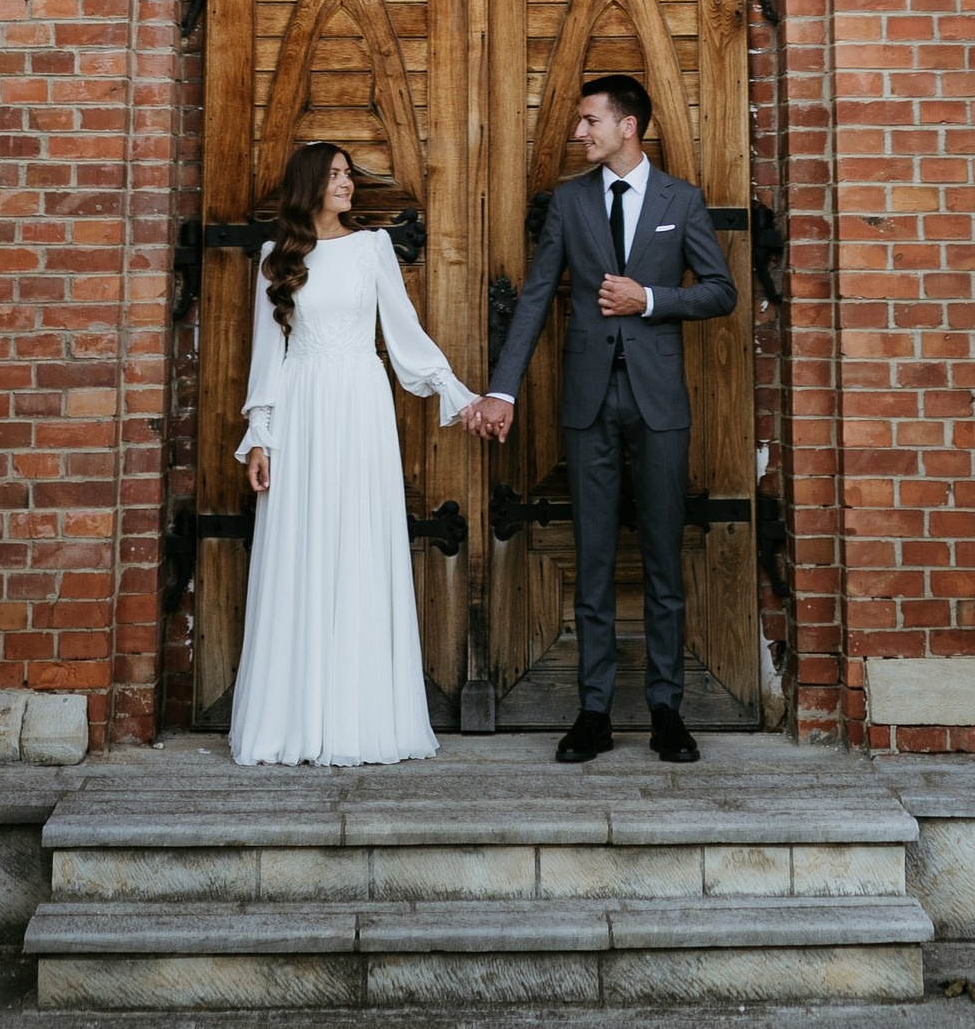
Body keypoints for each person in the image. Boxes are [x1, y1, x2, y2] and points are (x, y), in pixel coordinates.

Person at [466, 73, 736, 766]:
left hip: (659, 405)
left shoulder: (682, 200)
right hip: (587, 404)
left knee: (662, 560)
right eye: (580, 122)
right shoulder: (570, 201)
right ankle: (593, 713)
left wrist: (649, 299)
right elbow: (533, 300)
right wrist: (503, 390)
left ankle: (667, 711)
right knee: (589, 561)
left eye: (589, 121)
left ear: (628, 126)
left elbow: (720, 292)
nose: (578, 133)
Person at [230, 139, 481, 767]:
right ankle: (293, 719)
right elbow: (269, 354)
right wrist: (260, 434)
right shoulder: (276, 257)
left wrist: (456, 391)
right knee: (302, 549)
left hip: (360, 408)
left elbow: (403, 334)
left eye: (350, 176)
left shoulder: (372, 249)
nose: (348, 185)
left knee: (357, 546)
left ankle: (362, 717)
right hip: (302, 407)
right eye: (336, 176)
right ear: (310, 184)